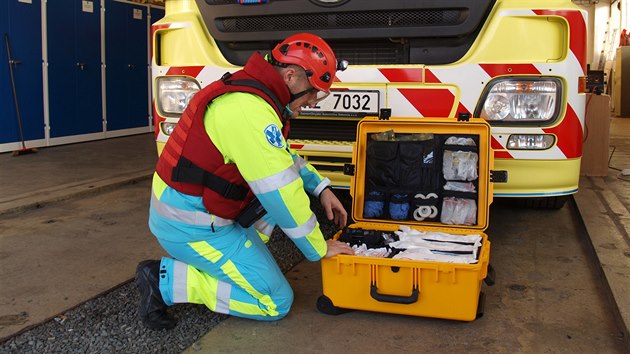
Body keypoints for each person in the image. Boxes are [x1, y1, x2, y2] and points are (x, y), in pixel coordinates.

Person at [136, 33, 354, 330]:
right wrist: (319, 247)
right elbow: (281, 193)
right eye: (314, 91)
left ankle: (240, 259)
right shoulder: (249, 111)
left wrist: (320, 186)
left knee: (270, 205)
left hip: (201, 215)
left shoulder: (254, 96)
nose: (314, 101)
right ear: (291, 76)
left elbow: (279, 158)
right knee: (275, 301)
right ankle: (166, 281)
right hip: (193, 228)